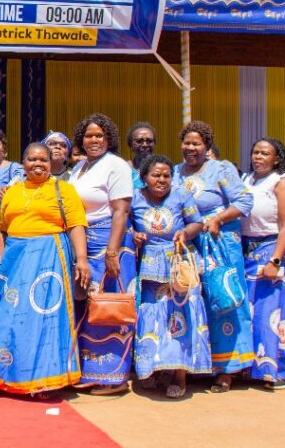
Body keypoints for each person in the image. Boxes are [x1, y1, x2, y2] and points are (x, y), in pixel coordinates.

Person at [0, 142, 90, 395]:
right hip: (14, 259)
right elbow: (2, 230)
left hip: (49, 258)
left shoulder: (64, 189)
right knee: (7, 314)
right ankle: (3, 374)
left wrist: (82, 259)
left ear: (50, 163)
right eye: (32, 159)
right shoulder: (11, 192)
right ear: (23, 163)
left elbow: (76, 225)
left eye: (43, 160)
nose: (37, 164)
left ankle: (44, 379)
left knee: (43, 318)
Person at [172, 120, 254, 393]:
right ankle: (200, 364)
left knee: (224, 300)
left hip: (219, 244)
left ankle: (228, 370)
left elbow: (244, 200)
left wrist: (218, 218)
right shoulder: (175, 172)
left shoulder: (221, 169)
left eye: (196, 143)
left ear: (207, 146)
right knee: (193, 302)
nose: (190, 148)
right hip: (189, 244)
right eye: (187, 143)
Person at [130, 155, 211, 398]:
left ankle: (179, 375)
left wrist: (185, 232)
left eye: (166, 175)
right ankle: (151, 369)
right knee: (152, 317)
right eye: (156, 175)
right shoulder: (135, 197)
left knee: (180, 317)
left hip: (179, 263)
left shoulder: (181, 195)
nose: (162, 180)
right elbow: (126, 223)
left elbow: (197, 223)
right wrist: (134, 235)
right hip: (150, 266)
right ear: (144, 177)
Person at [69, 113, 135, 395]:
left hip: (109, 241)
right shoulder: (80, 167)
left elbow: (121, 210)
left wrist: (112, 251)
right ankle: (91, 371)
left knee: (108, 309)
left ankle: (114, 377)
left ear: (109, 139)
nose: (93, 140)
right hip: (84, 240)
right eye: (89, 136)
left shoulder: (115, 165)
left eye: (99, 135)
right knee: (88, 308)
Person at [240, 138, 285, 388]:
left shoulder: (282, 182)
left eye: (265, 153)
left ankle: (282, 370)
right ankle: (256, 368)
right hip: (249, 252)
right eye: (256, 152)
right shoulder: (248, 180)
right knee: (256, 313)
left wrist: (275, 260)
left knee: (276, 313)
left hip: (273, 250)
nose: (259, 157)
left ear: (276, 158)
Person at [126, 122, 157, 189]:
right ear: (131, 145)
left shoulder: (163, 168)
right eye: (139, 141)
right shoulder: (125, 169)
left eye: (149, 141)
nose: (145, 145)